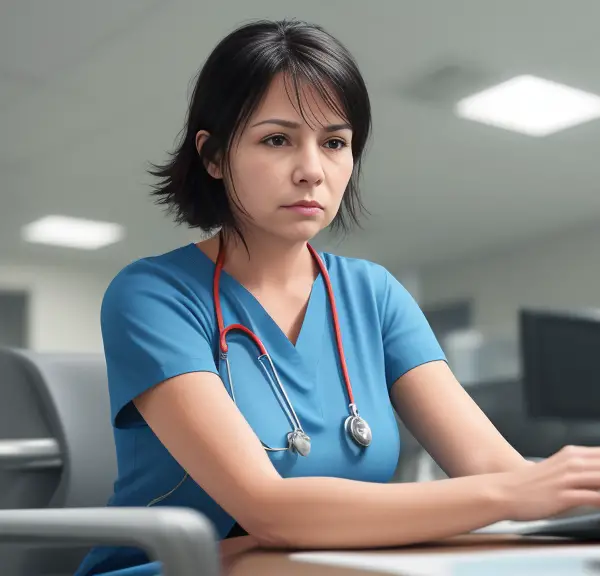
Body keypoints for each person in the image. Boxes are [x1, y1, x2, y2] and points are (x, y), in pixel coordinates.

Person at [75, 18, 600, 576]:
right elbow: (268, 509)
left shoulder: (374, 295)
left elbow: (496, 471)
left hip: (324, 560)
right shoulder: (153, 295)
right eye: (277, 139)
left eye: (334, 143)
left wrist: (553, 488)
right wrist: (513, 495)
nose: (311, 171)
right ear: (213, 156)